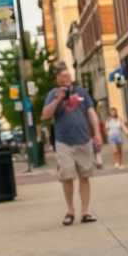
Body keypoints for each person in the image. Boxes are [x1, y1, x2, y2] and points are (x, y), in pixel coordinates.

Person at [42, 65, 103, 225]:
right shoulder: (53, 94)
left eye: (68, 74)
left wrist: (97, 133)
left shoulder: (81, 92)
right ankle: (70, 211)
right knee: (67, 177)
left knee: (85, 176)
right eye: (63, 75)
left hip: (84, 140)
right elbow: (45, 115)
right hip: (64, 142)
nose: (67, 77)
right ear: (58, 79)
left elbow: (91, 112)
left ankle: (85, 212)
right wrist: (58, 99)